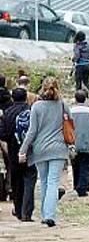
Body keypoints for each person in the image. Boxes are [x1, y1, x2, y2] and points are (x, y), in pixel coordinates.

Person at [18, 78, 70, 227]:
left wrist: (23, 150)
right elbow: (71, 123)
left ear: (43, 88)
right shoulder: (63, 105)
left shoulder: (36, 106)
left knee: (45, 181)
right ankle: (49, 215)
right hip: (59, 148)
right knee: (54, 181)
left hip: (40, 149)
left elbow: (31, 131)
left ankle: (45, 214)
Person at [0, 88, 36, 221]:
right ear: (26, 97)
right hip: (31, 151)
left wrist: (8, 149)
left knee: (16, 182)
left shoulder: (7, 113)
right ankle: (27, 211)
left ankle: (18, 208)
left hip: (14, 151)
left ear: (13, 98)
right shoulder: (32, 111)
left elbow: (2, 135)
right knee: (29, 180)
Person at [72, 31, 89, 100]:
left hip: (80, 65)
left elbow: (77, 56)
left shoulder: (77, 46)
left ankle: (78, 97)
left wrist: (74, 60)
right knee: (86, 81)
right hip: (88, 65)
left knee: (78, 82)